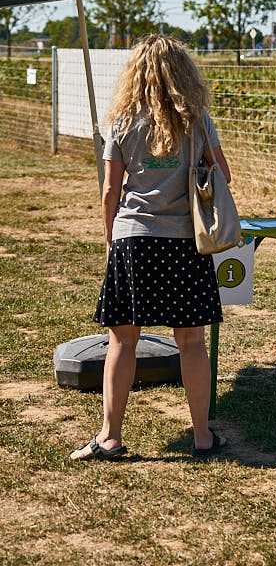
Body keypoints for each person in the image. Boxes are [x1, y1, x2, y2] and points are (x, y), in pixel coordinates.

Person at [70, 34, 231, 461]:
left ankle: (110, 437)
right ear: (184, 73)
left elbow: (110, 189)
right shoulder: (198, 120)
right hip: (187, 243)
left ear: (135, 73)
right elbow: (224, 175)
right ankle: (202, 437)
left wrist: (109, 237)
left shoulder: (122, 122)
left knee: (122, 342)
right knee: (192, 342)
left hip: (133, 240)